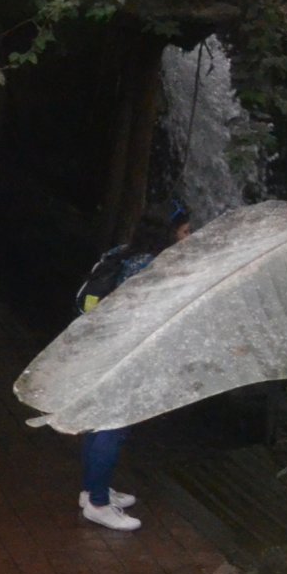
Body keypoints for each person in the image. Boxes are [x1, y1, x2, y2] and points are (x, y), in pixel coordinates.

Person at [69, 207, 193, 531]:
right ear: (169, 234)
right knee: (113, 425)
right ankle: (98, 504)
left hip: (98, 349)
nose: (189, 237)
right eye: (185, 232)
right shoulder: (156, 268)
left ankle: (91, 490)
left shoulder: (120, 253)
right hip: (124, 355)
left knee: (96, 421)